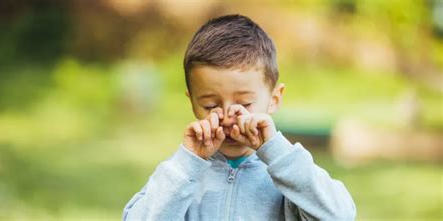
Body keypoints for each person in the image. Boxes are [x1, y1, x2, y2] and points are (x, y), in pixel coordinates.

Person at [122, 14, 356, 221]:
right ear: (192, 101)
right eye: (210, 105)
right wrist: (187, 163)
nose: (228, 117)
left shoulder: (290, 173)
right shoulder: (182, 175)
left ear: (274, 98)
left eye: (244, 103)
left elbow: (340, 215)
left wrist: (275, 150)